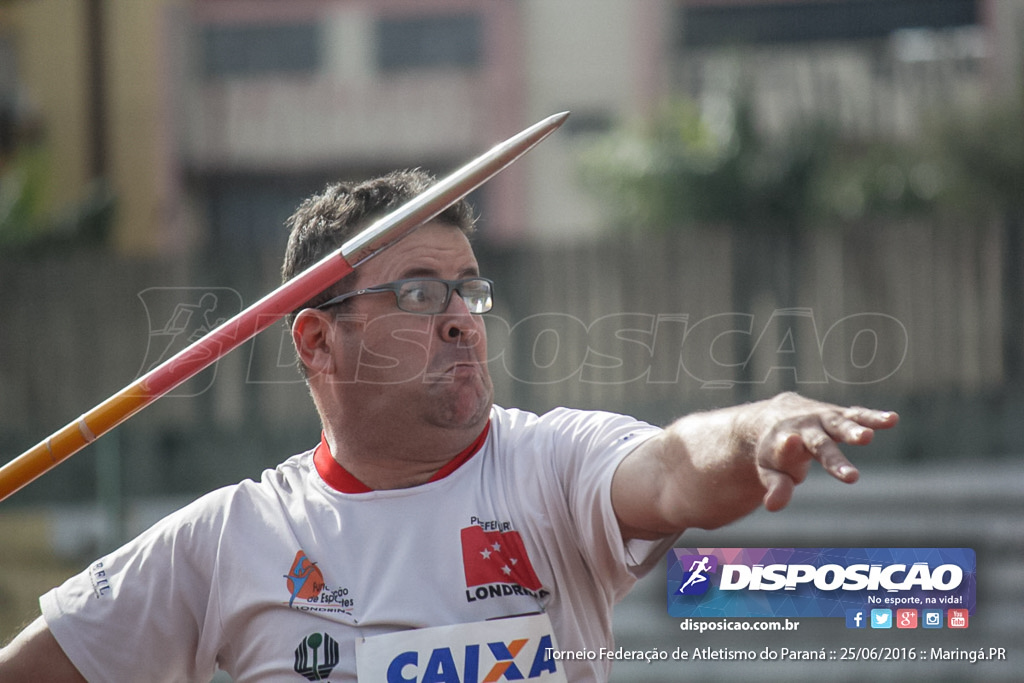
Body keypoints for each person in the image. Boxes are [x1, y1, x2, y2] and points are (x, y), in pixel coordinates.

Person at [0, 169, 898, 681]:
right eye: (421, 292)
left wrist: (755, 427)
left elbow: (672, 469)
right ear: (317, 339)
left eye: (469, 288)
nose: (464, 315)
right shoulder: (224, 539)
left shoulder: (548, 468)